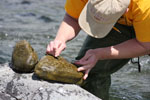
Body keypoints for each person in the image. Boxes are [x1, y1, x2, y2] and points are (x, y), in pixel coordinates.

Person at [46, 0, 150, 100]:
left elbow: (145, 46)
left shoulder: (144, 7)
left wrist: (101, 54)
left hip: (145, 19)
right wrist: (60, 39)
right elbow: (73, 17)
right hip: (121, 25)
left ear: (125, 10)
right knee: (88, 69)